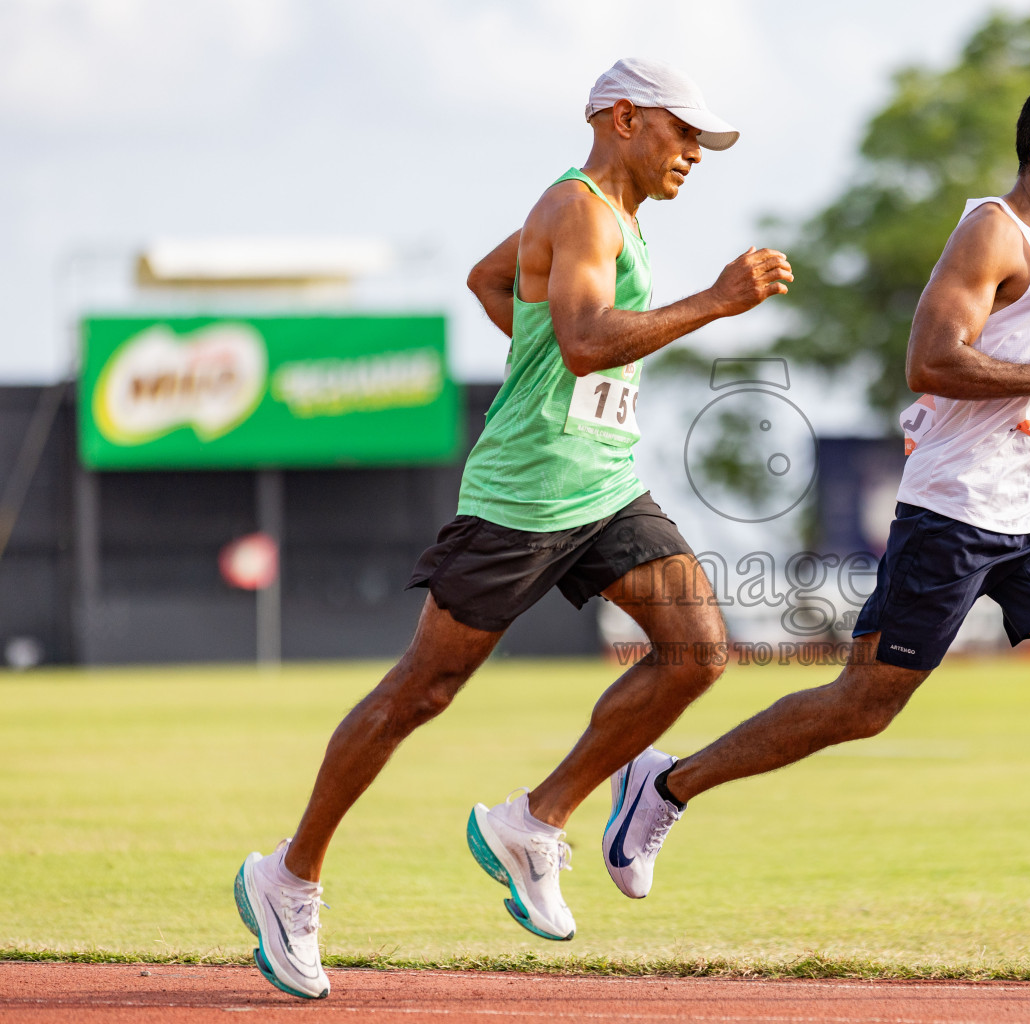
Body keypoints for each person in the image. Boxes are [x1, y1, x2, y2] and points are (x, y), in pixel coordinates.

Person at [603, 78, 1030, 973]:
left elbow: (1003, 381)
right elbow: (931, 361)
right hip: (953, 518)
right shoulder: (994, 231)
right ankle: (667, 782)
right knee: (863, 705)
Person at [233, 57, 794, 1000]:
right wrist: (715, 301)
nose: (696, 154)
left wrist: (536, 351)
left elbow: (491, 280)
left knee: (697, 651)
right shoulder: (576, 206)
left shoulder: (615, 219)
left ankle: (535, 820)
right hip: (524, 498)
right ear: (623, 118)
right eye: (683, 132)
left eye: (704, 141)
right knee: (421, 692)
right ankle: (288, 876)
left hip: (604, 485)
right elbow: (581, 341)